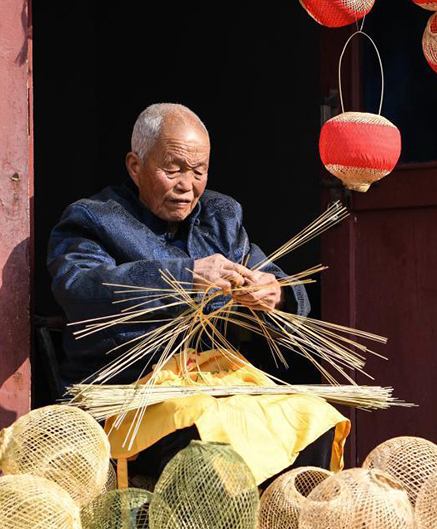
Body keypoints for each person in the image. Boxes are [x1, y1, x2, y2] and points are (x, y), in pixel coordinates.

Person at [48, 103, 342, 483]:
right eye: (172, 170)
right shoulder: (93, 219)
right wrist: (185, 277)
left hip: (218, 379)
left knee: (313, 416)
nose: (187, 185)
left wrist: (277, 293)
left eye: (198, 171)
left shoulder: (221, 216)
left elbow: (273, 275)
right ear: (135, 166)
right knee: (204, 430)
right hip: (134, 388)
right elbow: (79, 288)